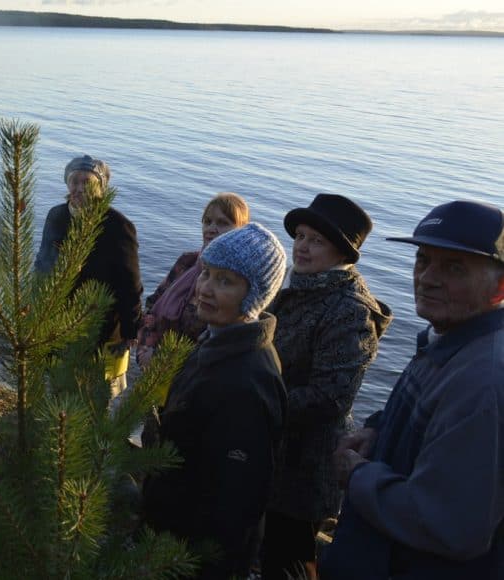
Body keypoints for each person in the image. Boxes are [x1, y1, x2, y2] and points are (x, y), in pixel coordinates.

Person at [320, 200, 504, 580]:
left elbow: (450, 526)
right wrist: (377, 429)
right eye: (423, 260)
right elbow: (425, 417)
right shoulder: (450, 338)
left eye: (455, 267)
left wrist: (358, 476)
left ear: (499, 286)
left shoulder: (483, 382)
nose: (428, 277)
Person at [142, 223, 288, 580]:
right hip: (170, 539)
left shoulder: (247, 380)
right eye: (206, 274)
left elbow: (237, 499)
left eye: (225, 281)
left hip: (194, 557)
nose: (204, 289)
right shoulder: (215, 344)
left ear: (254, 295)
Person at [261, 194, 392, 579]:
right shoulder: (303, 288)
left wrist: (255, 400)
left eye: (315, 240)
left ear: (341, 252)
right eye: (300, 236)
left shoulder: (349, 310)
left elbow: (330, 398)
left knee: (290, 560)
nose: (301, 246)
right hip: (274, 450)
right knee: (267, 551)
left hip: (303, 468)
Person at [35, 155, 143, 394]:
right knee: (60, 387)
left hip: (102, 325)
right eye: (74, 181)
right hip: (59, 321)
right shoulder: (57, 215)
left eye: (87, 182)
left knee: (103, 393)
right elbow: (42, 263)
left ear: (101, 187)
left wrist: (130, 329)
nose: (80, 188)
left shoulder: (118, 225)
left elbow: (130, 283)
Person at [136, 192, 249, 368]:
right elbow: (152, 304)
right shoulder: (187, 262)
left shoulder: (236, 283)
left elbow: (218, 342)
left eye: (223, 223)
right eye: (207, 221)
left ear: (240, 230)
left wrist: (160, 359)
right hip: (152, 372)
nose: (211, 228)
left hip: (191, 376)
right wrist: (145, 348)